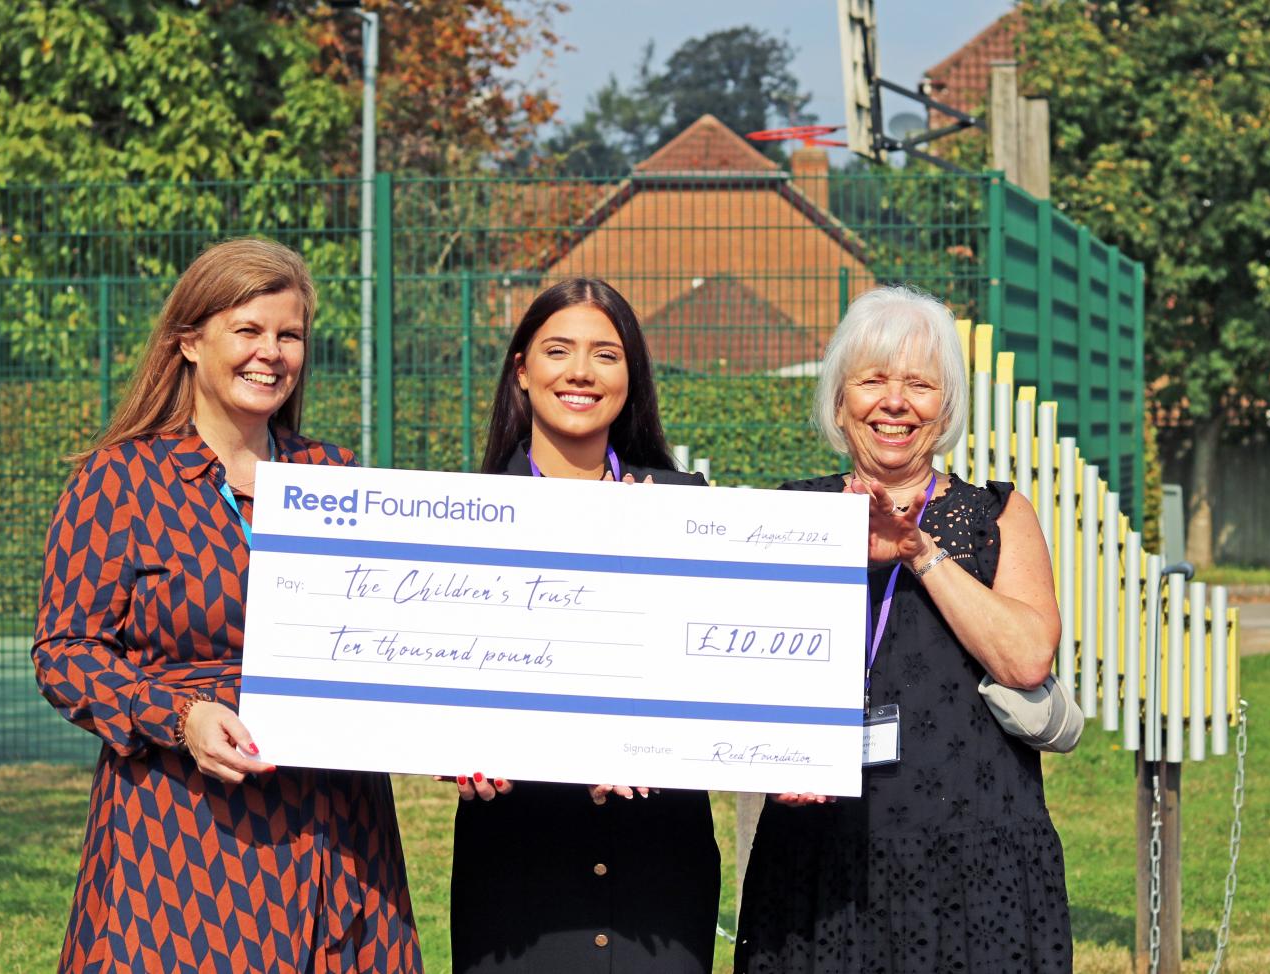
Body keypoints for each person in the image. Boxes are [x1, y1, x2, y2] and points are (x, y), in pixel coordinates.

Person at [33, 238, 422, 973]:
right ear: (189, 341)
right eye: (247, 331)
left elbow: (403, 631)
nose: (269, 353)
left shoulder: (335, 475)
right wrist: (179, 718)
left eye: (289, 335)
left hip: (338, 826)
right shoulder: (119, 478)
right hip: (182, 832)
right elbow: (64, 652)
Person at [733, 285, 1072, 973]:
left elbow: (1028, 658)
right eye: (873, 381)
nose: (895, 402)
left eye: (920, 384)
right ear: (839, 400)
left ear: (944, 408)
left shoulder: (995, 516)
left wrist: (921, 552)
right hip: (819, 853)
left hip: (976, 860)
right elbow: (735, 669)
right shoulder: (790, 516)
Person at [447, 278, 721, 973]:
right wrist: (455, 742)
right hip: (519, 863)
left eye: (605, 354)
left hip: (660, 863)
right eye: (558, 350)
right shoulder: (462, 514)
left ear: (632, 374)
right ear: (522, 370)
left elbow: (723, 671)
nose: (580, 372)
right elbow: (440, 683)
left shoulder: (690, 507)